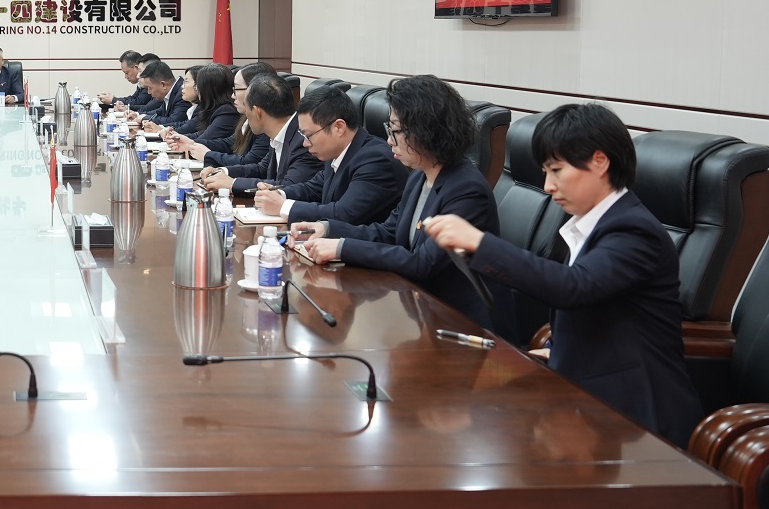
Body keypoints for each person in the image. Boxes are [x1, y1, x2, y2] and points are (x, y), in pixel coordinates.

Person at [423, 102, 705, 445]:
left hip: (635, 419)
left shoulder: (633, 230)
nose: (547, 186)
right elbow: (601, 306)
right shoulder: (593, 223)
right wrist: (559, 349)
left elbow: (575, 287)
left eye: (556, 170)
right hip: (585, 393)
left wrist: (480, 242)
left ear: (599, 161)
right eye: (545, 172)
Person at [291, 76, 504, 332]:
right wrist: (327, 229)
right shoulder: (419, 176)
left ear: (425, 130)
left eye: (395, 130)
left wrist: (341, 248)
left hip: (464, 324)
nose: (389, 140)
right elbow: (389, 231)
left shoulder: (465, 189)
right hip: (422, 310)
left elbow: (422, 263)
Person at [248, 85, 403, 226]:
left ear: (339, 127)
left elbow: (343, 214)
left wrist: (283, 206)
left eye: (309, 135)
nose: (305, 143)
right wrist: (278, 193)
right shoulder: (337, 152)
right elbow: (312, 189)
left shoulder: (376, 160)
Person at [195, 75, 301, 196]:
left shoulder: (303, 140)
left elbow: (289, 186)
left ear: (257, 112)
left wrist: (232, 184)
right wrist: (222, 171)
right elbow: (261, 169)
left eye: (246, 107)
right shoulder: (281, 132)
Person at [172, 62, 276, 160]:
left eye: (236, 89)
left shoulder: (228, 112)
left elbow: (251, 163)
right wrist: (190, 143)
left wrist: (207, 154)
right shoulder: (245, 117)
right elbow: (230, 142)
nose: (232, 95)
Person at [173, 64, 237, 145]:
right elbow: (200, 134)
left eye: (198, 86)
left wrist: (178, 139)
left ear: (208, 89)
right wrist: (175, 137)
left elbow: (205, 139)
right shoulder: (212, 108)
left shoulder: (227, 111)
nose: (197, 89)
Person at [135, 60, 185, 128]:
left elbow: (173, 120)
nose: (149, 92)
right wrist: (137, 114)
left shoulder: (182, 94)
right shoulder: (171, 91)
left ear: (163, 85)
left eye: (150, 88)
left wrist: (145, 118)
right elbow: (159, 112)